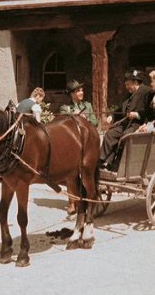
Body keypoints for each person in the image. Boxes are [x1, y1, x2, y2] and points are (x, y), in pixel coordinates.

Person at [60, 79, 98, 216]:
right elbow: (63, 126)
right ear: (71, 94)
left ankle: (88, 198)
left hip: (87, 143)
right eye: (78, 91)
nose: (81, 92)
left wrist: (85, 119)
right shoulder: (65, 108)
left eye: (81, 90)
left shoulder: (87, 106)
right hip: (72, 145)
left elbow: (95, 122)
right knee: (71, 174)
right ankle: (71, 201)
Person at [100, 70, 151, 170]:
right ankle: (101, 160)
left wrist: (137, 114)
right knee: (110, 134)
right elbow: (120, 108)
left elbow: (151, 111)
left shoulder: (147, 92)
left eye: (128, 84)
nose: (126, 87)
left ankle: (117, 164)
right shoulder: (129, 94)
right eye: (126, 85)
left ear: (135, 83)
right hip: (126, 124)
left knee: (125, 137)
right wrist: (112, 116)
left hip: (138, 124)